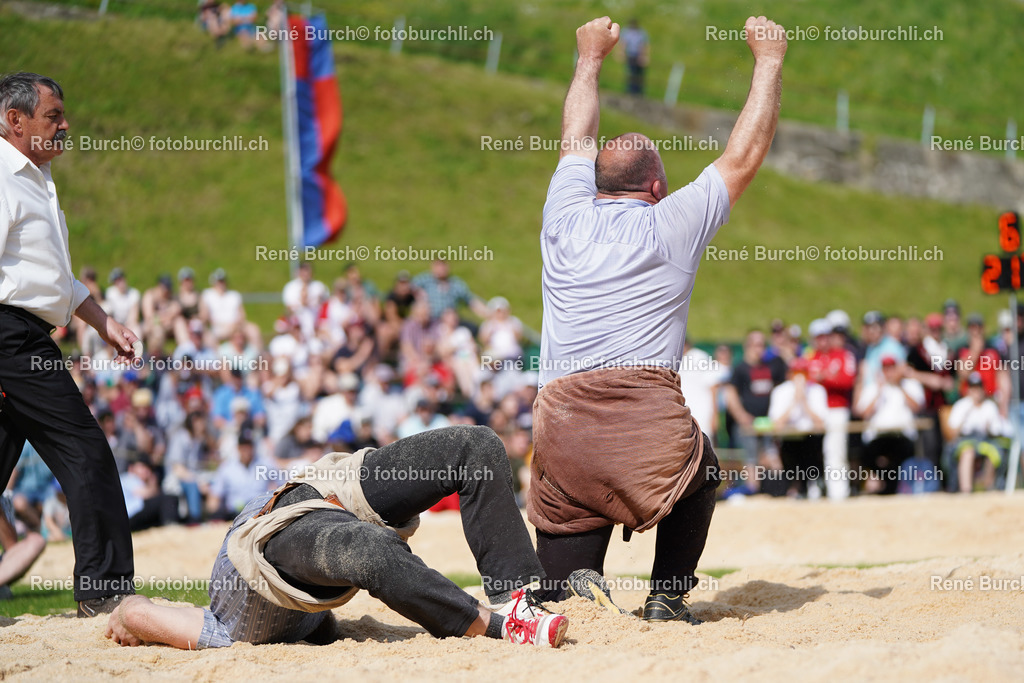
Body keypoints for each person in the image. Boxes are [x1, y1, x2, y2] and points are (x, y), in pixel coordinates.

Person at [528, 16, 786, 623]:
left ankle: (575, 593)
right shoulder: (670, 224)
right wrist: (769, 62)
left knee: (568, 577)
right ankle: (667, 596)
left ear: (594, 183)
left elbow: (575, 134)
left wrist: (589, 57)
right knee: (701, 465)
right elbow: (743, 155)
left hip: (561, 430)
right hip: (642, 424)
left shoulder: (562, 217)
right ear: (656, 184)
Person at [106, 426, 569, 649]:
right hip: (280, 550)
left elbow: (135, 610)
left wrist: (131, 615)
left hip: (314, 496)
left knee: (477, 448)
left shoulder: (226, 628)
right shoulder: (262, 631)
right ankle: (500, 626)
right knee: (370, 551)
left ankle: (514, 598)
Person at [0, 72, 137, 616]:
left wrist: (105, 323)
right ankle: (105, 593)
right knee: (85, 452)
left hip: (21, 332)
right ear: (15, 120)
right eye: (53, 116)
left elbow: (55, 280)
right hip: (10, 336)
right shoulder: (3, 179)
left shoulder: (35, 177)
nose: (65, 125)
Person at [946, 372, 1010, 493]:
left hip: (985, 441)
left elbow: (997, 431)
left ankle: (989, 490)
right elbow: (951, 434)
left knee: (993, 454)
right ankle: (966, 491)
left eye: (978, 387)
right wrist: (965, 416)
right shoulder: (962, 406)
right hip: (964, 441)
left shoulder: (989, 406)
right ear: (968, 389)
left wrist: (989, 426)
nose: (976, 391)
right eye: (973, 387)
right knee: (968, 452)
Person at [620, 19, 649, 96]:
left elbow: (644, 45)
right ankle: (631, 91)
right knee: (631, 73)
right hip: (631, 55)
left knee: (639, 74)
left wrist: (643, 56)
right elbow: (623, 43)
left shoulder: (641, 33)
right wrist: (622, 53)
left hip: (638, 55)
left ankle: (638, 91)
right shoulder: (627, 32)